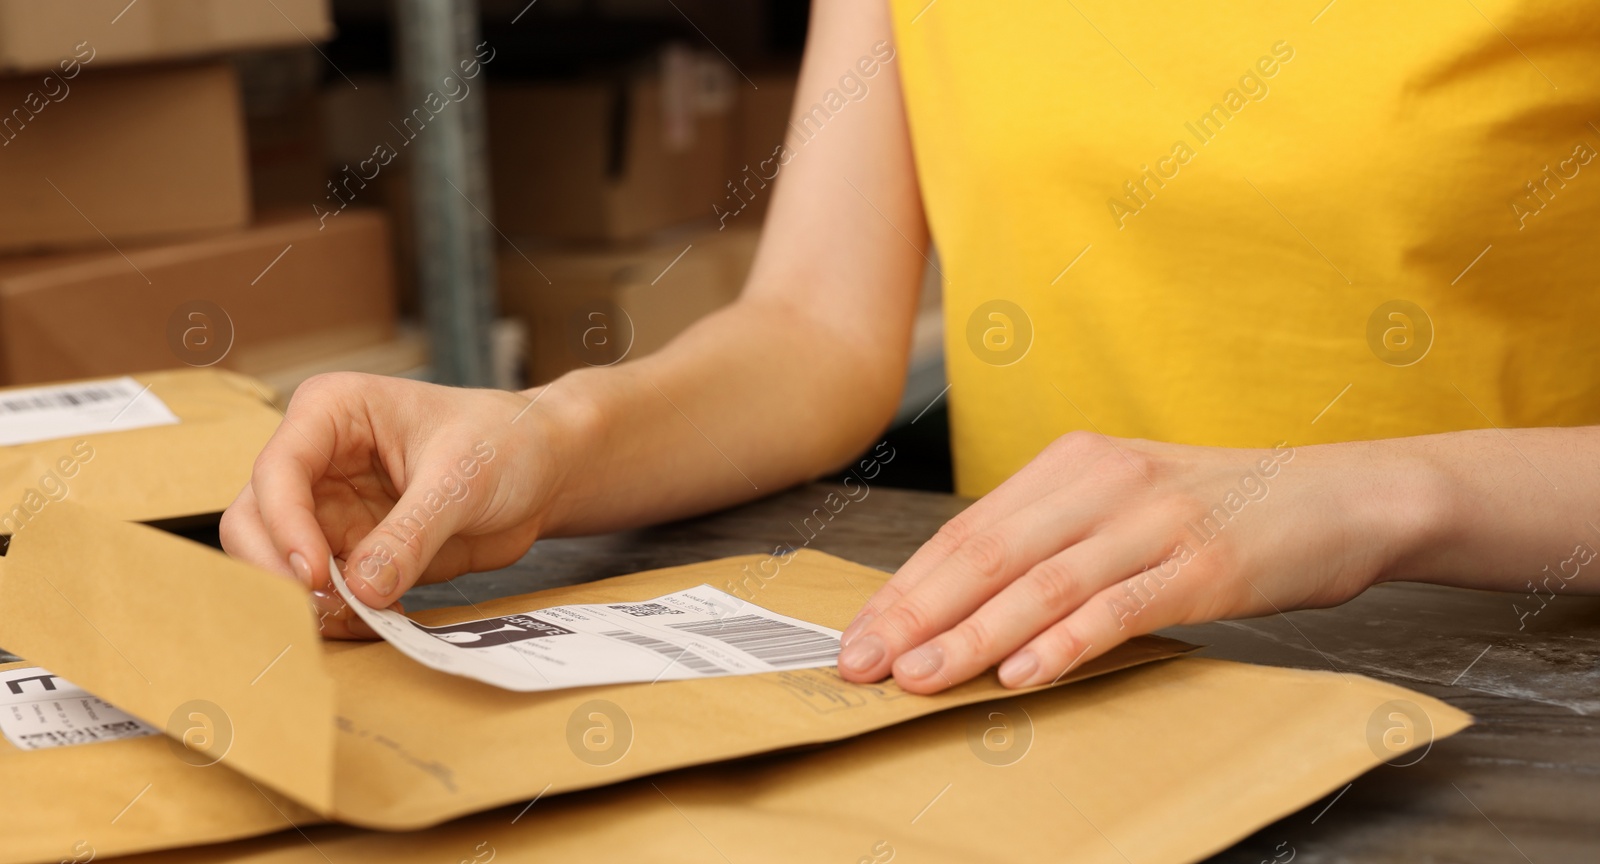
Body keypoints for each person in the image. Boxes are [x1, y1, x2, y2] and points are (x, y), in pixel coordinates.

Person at [221, 0, 1600, 695]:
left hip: (1518, 703)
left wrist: (1371, 495)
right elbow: (817, 329)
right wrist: (545, 436)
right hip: (1067, 688)